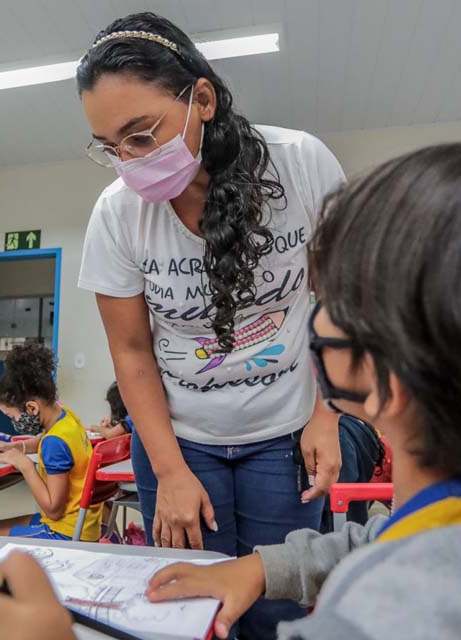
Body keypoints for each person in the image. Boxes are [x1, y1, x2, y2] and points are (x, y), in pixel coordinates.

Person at [0, 143, 461, 640]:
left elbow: (393, 581)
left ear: (385, 379)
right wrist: (265, 566)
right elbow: (391, 541)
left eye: (327, 295)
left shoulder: (379, 619)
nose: (311, 313)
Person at [75, 12, 345, 635]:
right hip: (179, 440)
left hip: (284, 431)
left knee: (274, 606)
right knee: (189, 611)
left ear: (201, 98)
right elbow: (133, 351)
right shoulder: (117, 214)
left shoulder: (299, 163)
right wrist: (168, 471)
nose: (128, 161)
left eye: (141, 135)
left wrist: (327, 412)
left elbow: (341, 298)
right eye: (110, 147)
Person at [0, 342, 101, 542]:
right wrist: (17, 447)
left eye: (13, 417)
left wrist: (25, 465)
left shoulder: (54, 443)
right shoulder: (66, 418)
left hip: (64, 532)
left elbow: (54, 509)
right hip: (83, 526)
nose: (13, 423)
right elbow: (45, 441)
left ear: (31, 408)